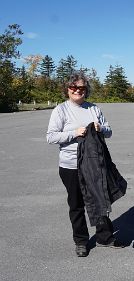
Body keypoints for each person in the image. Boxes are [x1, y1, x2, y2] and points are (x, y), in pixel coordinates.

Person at [46, 72, 124, 257]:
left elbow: (109, 131)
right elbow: (51, 137)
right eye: (73, 87)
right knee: (76, 204)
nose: (77, 91)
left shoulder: (94, 109)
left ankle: (104, 237)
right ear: (67, 89)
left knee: (99, 199)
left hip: (94, 164)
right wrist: (74, 133)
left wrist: (100, 129)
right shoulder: (60, 110)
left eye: (81, 88)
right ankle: (80, 241)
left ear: (86, 90)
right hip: (70, 166)